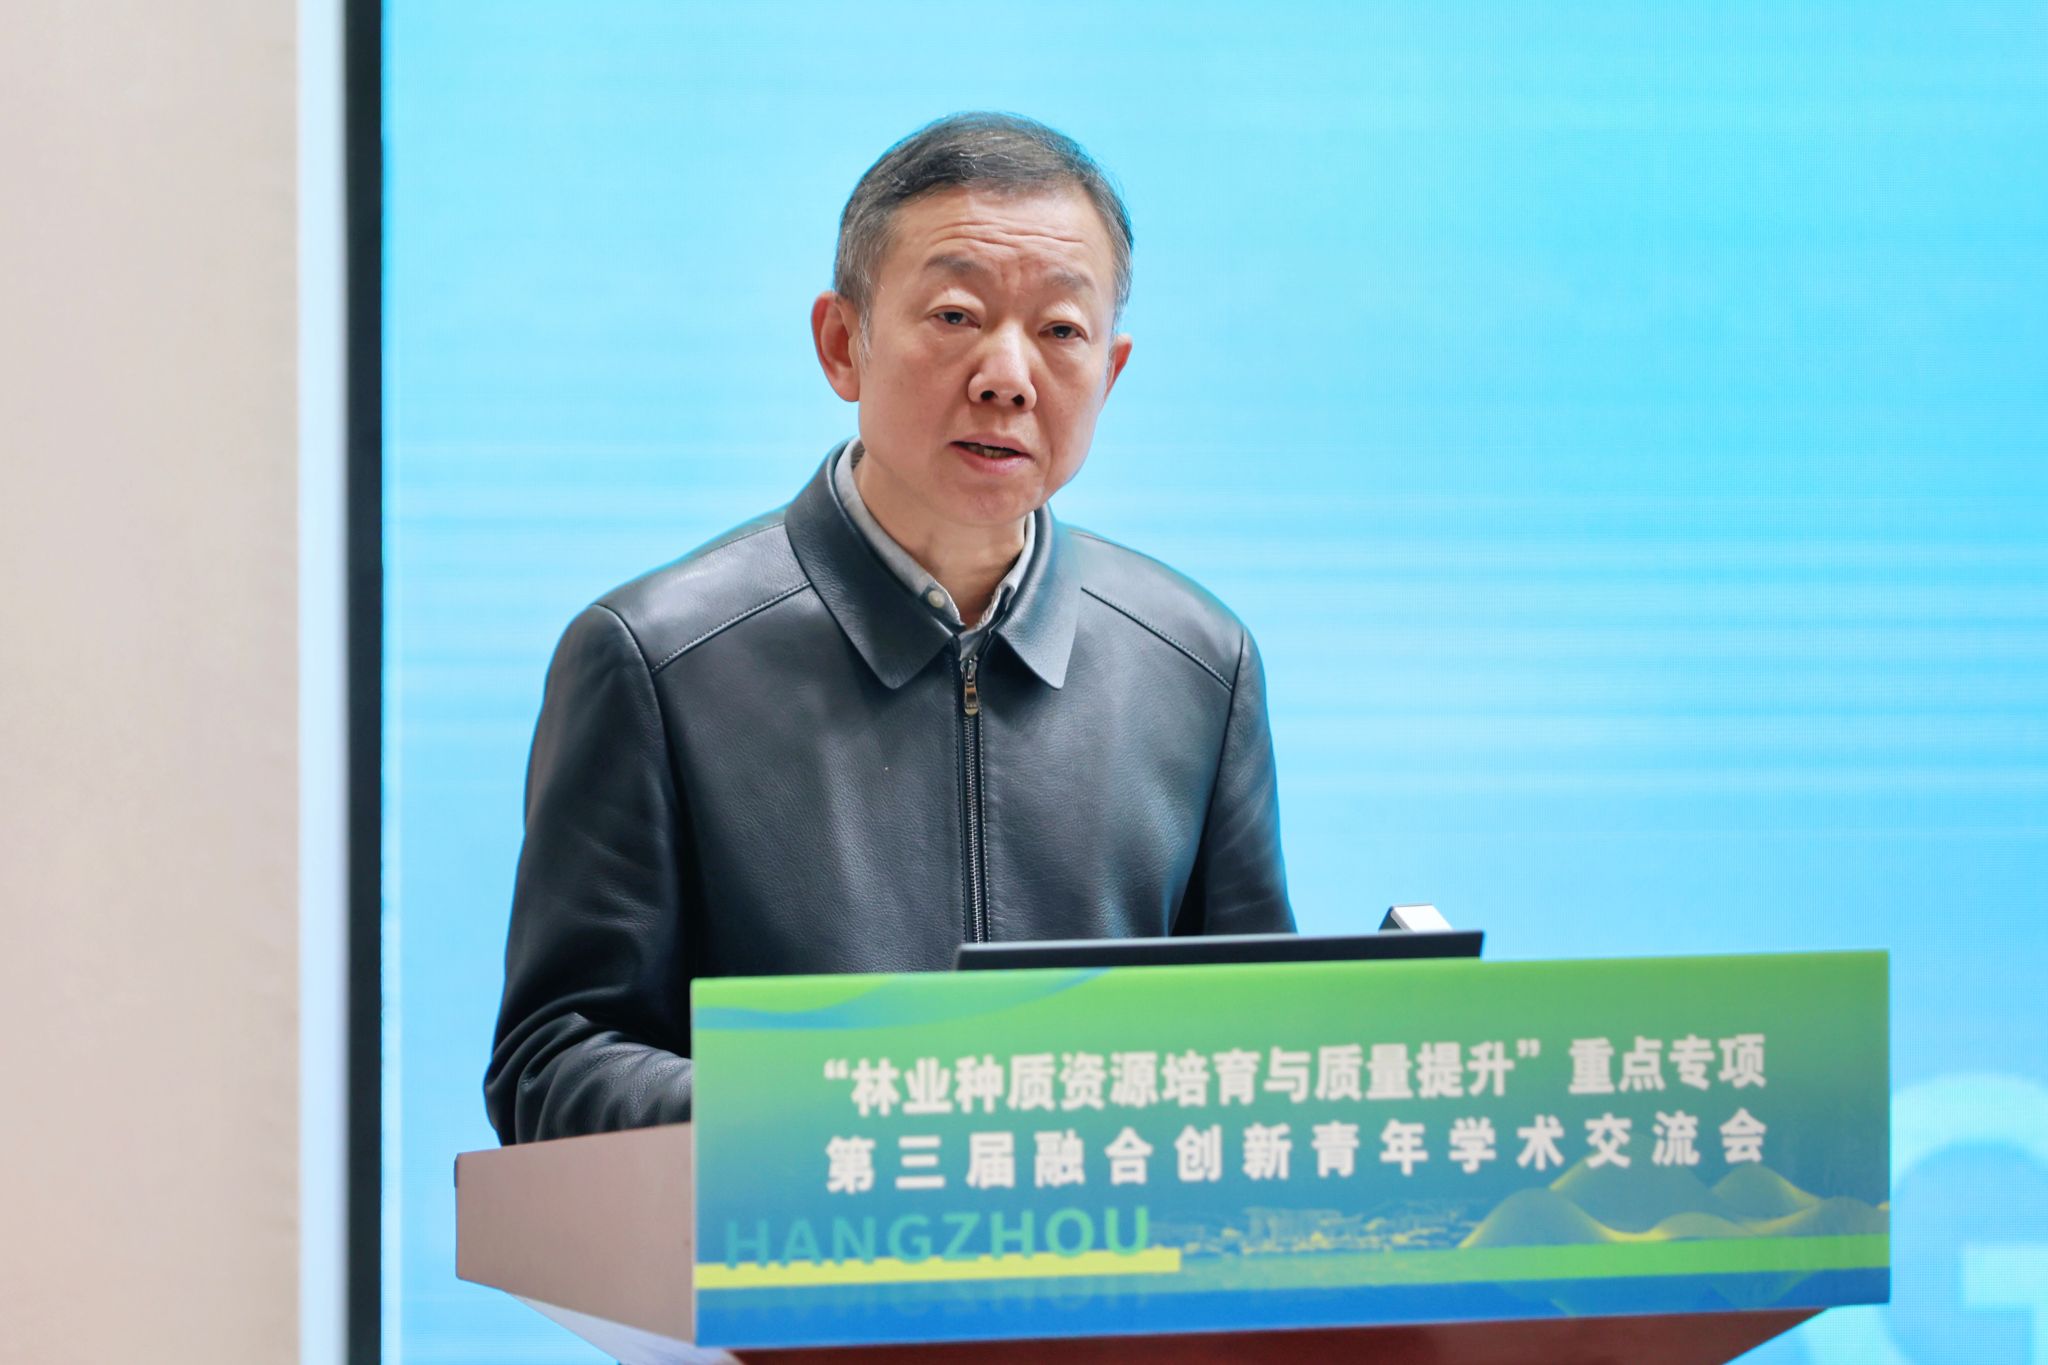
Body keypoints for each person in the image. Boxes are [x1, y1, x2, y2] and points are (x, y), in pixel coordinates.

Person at [485, 112, 1293, 1145]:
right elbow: (554, 1065)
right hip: (792, 1242)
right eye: (956, 315)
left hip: (1100, 1251)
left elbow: (1265, 1056)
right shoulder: (652, 659)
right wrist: (841, 1106)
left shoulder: (1198, 667)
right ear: (842, 344)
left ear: (1111, 370)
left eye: (1060, 331)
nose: (1007, 376)